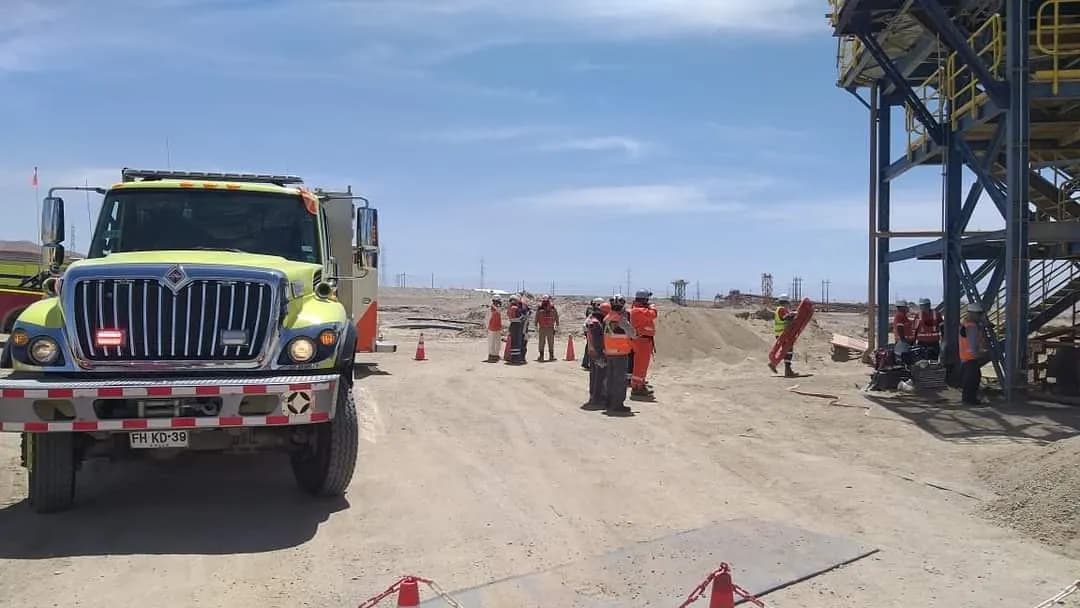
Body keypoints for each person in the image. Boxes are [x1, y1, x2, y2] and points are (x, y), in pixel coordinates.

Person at [603, 294, 637, 415]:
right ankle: (617, 404)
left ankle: (609, 401)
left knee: (610, 378)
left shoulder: (607, 317)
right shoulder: (621, 319)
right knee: (619, 380)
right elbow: (633, 333)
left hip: (609, 352)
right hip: (620, 353)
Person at [629, 289, 658, 397]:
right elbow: (653, 314)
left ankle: (639, 385)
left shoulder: (638, 309)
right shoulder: (638, 310)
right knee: (640, 365)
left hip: (644, 340)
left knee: (641, 365)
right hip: (642, 341)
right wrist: (652, 307)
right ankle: (637, 388)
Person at [959, 301, 989, 405]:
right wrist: (979, 353)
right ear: (973, 314)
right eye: (979, 314)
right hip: (970, 357)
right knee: (972, 380)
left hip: (966, 357)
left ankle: (969, 399)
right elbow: (972, 344)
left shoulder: (967, 324)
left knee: (972, 379)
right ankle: (969, 400)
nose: (980, 316)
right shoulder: (971, 327)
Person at [584, 302, 610, 406]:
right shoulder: (596, 323)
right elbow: (597, 340)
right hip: (597, 353)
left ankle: (593, 396)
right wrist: (602, 353)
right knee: (599, 376)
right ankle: (597, 398)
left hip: (592, 352)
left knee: (594, 375)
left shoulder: (592, 320)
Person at [768, 294, 798, 377]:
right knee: (788, 351)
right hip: (782, 334)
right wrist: (793, 314)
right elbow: (786, 318)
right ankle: (786, 369)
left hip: (782, 333)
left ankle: (780, 366)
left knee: (786, 350)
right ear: (786, 302)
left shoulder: (781, 309)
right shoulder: (781, 309)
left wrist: (792, 313)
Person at [534, 294, 560, 362]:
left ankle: (541, 356)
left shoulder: (540, 308)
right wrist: (557, 325)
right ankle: (551, 356)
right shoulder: (552, 307)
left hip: (542, 328)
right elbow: (556, 317)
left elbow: (536, 317)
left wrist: (535, 326)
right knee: (551, 342)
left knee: (541, 343)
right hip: (550, 328)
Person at [582, 298, 603, 370]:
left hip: (591, 333)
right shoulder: (593, 313)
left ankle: (586, 363)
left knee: (589, 347)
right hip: (594, 334)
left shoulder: (591, 311)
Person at [505, 295, 526, 365]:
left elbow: (509, 315)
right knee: (517, 342)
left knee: (513, 342)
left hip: (512, 325)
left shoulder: (509, 308)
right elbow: (521, 317)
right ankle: (516, 358)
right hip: (517, 325)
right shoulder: (516, 308)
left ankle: (513, 358)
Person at [893, 300, 914, 365]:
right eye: (906, 307)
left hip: (905, 341)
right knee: (904, 359)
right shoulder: (900, 315)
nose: (907, 308)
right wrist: (903, 340)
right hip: (903, 342)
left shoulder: (904, 316)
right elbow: (899, 327)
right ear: (902, 307)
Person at [486, 295, 504, 363]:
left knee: (497, 342)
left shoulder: (497, 308)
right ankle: (491, 355)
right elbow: (487, 319)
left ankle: (496, 355)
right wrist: (488, 327)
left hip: (497, 328)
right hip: (492, 328)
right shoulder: (490, 309)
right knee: (492, 342)